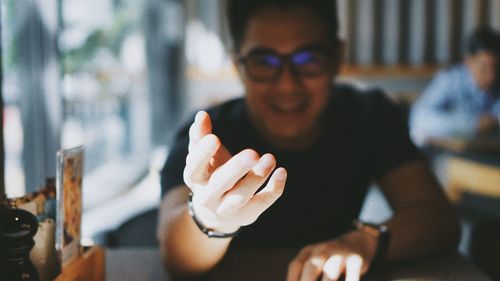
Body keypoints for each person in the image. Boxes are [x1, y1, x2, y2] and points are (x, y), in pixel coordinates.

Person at [157, 0, 460, 280]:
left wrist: (366, 240)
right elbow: (175, 255)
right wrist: (212, 218)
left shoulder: (369, 116)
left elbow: (437, 219)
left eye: (309, 59)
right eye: (264, 61)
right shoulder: (208, 134)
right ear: (239, 66)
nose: (288, 84)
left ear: (337, 58)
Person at [409, 27, 500, 145]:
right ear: (468, 62)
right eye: (483, 68)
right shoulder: (451, 81)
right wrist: (472, 125)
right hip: (450, 157)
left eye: (496, 68)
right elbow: (420, 118)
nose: (491, 76)